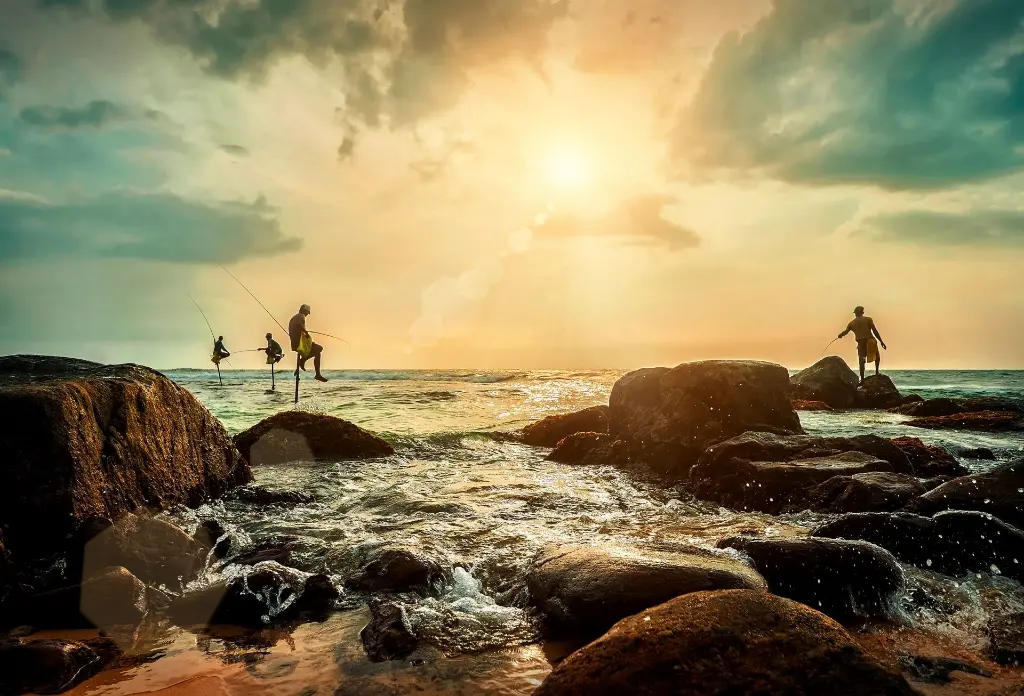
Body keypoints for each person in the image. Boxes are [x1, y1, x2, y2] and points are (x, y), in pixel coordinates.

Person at [837, 306, 887, 382]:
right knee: (877, 356)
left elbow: (846, 332)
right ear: (862, 312)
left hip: (860, 343)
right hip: (870, 340)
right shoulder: (868, 319)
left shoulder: (851, 323)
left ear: (855, 313)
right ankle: (877, 372)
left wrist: (840, 335)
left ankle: (862, 379)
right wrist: (881, 341)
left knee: (861, 360)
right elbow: (874, 331)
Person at [289, 304, 328, 382]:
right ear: (305, 311)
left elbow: (296, 327)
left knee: (317, 352)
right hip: (299, 343)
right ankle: (314, 372)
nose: (307, 314)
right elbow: (299, 325)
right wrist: (306, 332)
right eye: (307, 312)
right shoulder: (301, 316)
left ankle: (303, 362)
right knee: (319, 348)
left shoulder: (295, 317)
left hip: (296, 342)